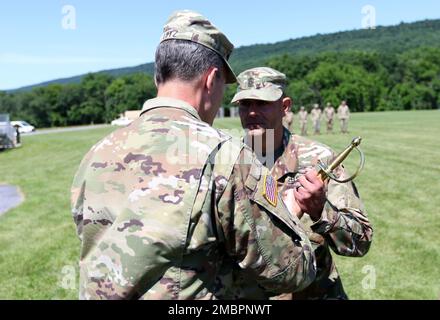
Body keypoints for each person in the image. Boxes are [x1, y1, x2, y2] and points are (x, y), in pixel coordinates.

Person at [70, 10, 316, 300]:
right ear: (212, 80)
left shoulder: (98, 153)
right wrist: (288, 214)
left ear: (157, 76)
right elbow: (289, 271)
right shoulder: (225, 155)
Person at [230, 67, 373, 300]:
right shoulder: (228, 161)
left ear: (285, 107)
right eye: (245, 104)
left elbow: (361, 241)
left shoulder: (319, 159)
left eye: (262, 103)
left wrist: (320, 211)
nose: (252, 113)